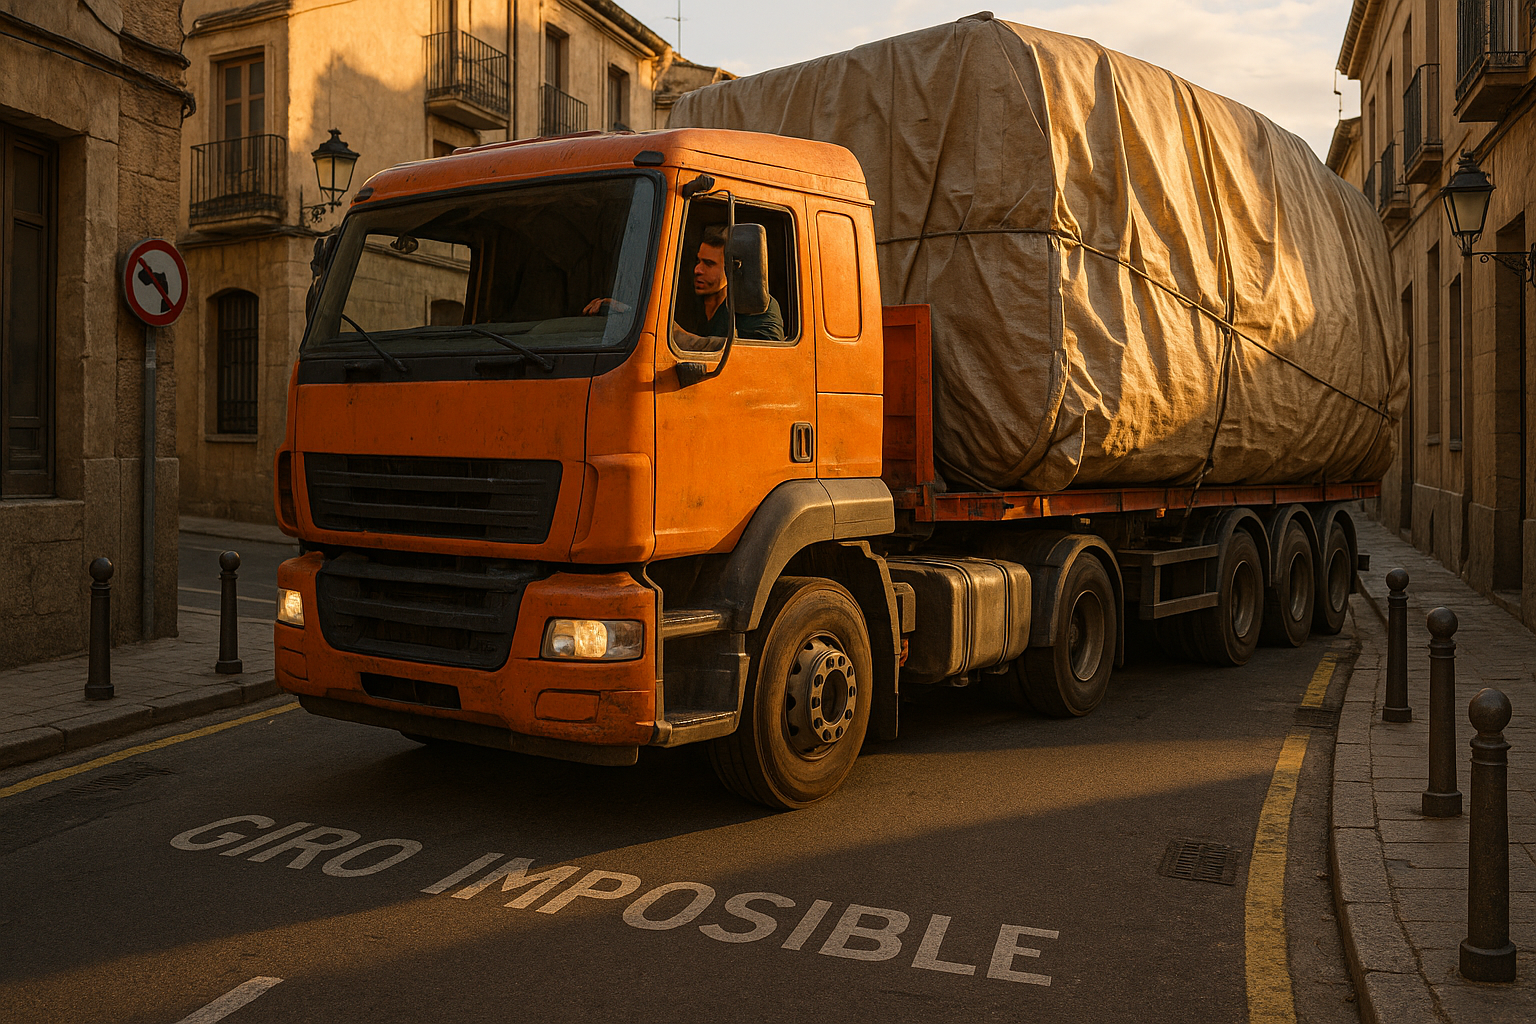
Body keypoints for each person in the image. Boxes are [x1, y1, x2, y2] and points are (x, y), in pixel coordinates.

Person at [582, 224, 785, 349]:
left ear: (732, 269)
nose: (697, 270)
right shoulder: (687, 301)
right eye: (698, 261)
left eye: (709, 264)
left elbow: (763, 356)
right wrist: (626, 313)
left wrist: (662, 331)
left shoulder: (758, 305)